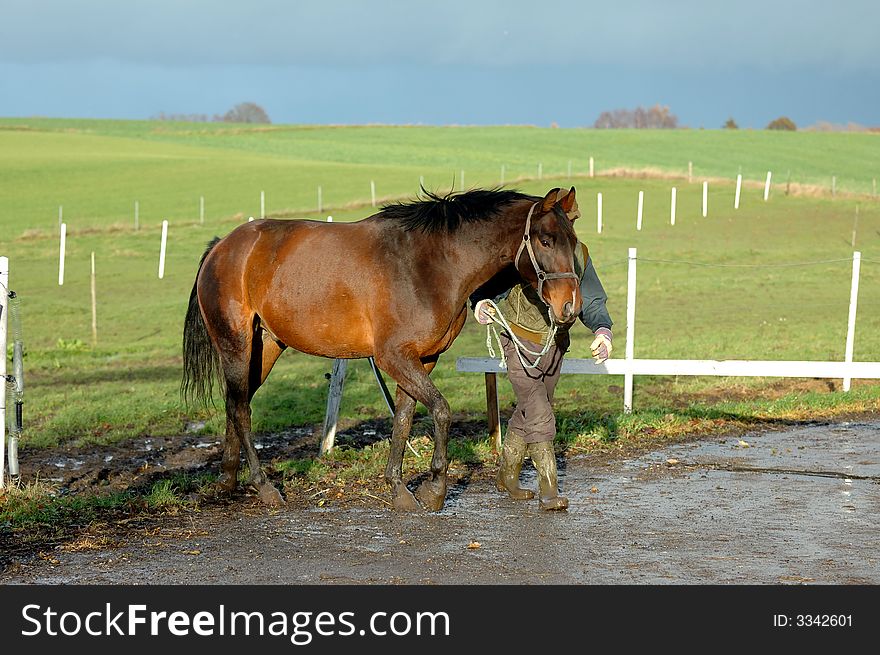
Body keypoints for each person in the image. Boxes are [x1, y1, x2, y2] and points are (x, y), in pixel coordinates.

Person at [471, 189, 613, 511]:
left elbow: (590, 299)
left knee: (532, 409)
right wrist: (480, 303)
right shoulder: (526, 252)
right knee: (538, 411)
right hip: (518, 342)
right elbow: (484, 287)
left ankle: (507, 475)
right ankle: (549, 491)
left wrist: (603, 331)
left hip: (555, 345)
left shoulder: (579, 255)